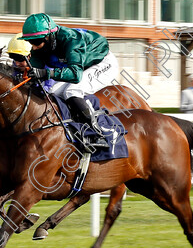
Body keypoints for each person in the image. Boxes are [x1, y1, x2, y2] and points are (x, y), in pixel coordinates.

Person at [19, 13, 119, 151]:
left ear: (49, 36)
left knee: (72, 91)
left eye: (36, 42)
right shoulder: (41, 46)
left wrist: (46, 73)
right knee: (52, 92)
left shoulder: (71, 40)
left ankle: (97, 135)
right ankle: (71, 129)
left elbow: (75, 75)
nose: (34, 47)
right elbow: (35, 70)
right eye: (31, 42)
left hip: (102, 63)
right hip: (81, 65)